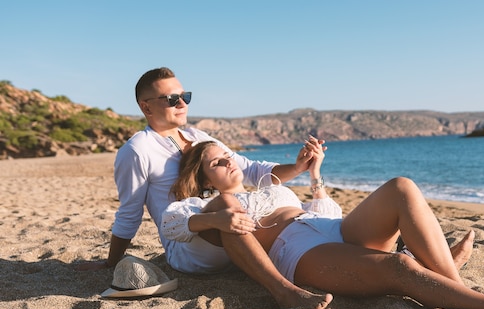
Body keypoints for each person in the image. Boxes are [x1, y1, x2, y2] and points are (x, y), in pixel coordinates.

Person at [162, 138, 484, 309]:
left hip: (332, 227)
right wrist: (215, 219)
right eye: (216, 162)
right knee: (398, 265)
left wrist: (316, 176)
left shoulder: (271, 187)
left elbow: (328, 210)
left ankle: (452, 283)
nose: (228, 162)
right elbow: (173, 226)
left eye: (228, 155)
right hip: (298, 251)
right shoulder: (205, 205)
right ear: (203, 178)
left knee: (401, 186)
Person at [77, 67, 316, 278]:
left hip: (235, 237)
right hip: (189, 248)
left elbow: (251, 170)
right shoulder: (137, 150)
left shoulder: (198, 137)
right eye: (172, 99)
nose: (182, 104)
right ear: (146, 107)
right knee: (228, 205)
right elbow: (130, 211)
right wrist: (112, 262)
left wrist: (298, 167)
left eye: (185, 96)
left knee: (287, 219)